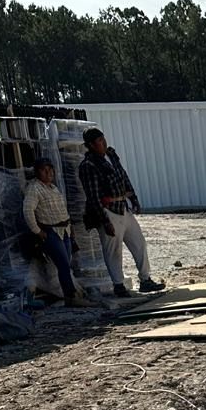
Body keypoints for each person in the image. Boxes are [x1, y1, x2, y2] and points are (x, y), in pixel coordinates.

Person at [77, 127, 164, 297]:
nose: (104, 143)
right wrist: (105, 221)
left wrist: (134, 199)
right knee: (113, 250)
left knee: (139, 243)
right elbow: (93, 197)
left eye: (103, 139)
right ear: (91, 145)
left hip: (123, 207)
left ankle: (145, 279)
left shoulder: (111, 155)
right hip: (107, 210)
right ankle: (118, 285)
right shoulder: (88, 166)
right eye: (99, 141)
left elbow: (123, 176)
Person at [22, 158, 85, 308]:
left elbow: (62, 210)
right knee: (63, 265)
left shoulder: (53, 188)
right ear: (38, 172)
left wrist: (71, 228)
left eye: (50, 170)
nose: (49, 173)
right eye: (44, 170)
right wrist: (37, 231)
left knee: (66, 264)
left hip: (64, 230)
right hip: (51, 231)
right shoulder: (34, 188)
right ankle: (71, 296)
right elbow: (27, 210)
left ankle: (70, 296)